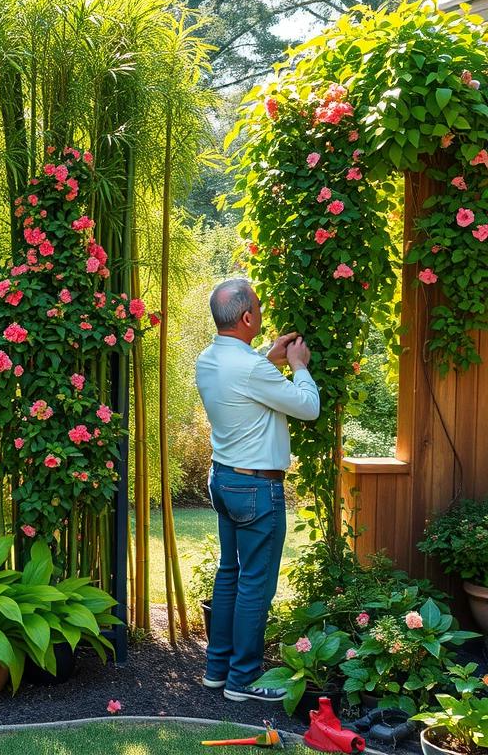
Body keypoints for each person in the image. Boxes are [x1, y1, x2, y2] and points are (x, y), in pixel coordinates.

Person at [195, 277, 320, 703]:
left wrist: (268, 358)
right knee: (255, 584)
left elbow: (244, 386)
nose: (263, 315)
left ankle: (217, 669)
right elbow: (308, 407)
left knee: (229, 574)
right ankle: (242, 680)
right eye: (259, 310)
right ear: (248, 317)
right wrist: (298, 364)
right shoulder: (251, 367)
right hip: (255, 488)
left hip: (224, 478)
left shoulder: (208, 359)